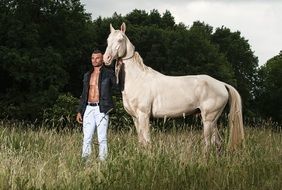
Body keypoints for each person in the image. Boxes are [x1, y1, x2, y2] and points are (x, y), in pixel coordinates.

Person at [76, 49, 116, 161]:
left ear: (102, 59)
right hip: (88, 107)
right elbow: (84, 94)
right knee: (87, 137)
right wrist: (80, 110)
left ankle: (103, 162)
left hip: (102, 108)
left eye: (97, 58)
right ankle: (85, 161)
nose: (94, 60)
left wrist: (119, 68)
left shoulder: (108, 74)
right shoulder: (88, 75)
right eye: (93, 58)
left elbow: (117, 85)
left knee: (102, 138)